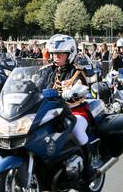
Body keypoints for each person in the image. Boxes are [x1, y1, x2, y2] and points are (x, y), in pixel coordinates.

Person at [39, 34, 95, 181]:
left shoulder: (76, 71)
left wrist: (73, 90)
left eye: (60, 54)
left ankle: (89, 167)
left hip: (75, 111)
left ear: (70, 54)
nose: (56, 57)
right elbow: (38, 84)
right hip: (53, 112)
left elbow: (81, 87)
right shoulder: (49, 70)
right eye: (54, 54)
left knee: (76, 131)